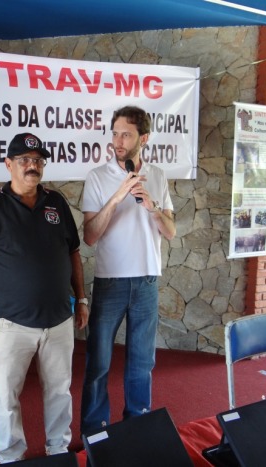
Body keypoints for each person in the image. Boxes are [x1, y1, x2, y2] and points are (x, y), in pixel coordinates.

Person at [0, 132, 89, 464]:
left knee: (59, 391)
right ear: (8, 164)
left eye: (38, 160)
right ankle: (9, 457)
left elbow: (73, 253)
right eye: (24, 160)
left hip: (59, 320)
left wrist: (81, 299)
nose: (33, 166)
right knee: (5, 398)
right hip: (10, 323)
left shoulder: (56, 202)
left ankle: (58, 451)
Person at [80, 105, 176, 434]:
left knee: (142, 363)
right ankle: (95, 432)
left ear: (143, 139)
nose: (118, 141)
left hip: (147, 281)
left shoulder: (158, 176)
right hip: (110, 282)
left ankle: (137, 429)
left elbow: (170, 231)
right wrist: (116, 198)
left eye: (126, 135)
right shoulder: (97, 176)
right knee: (98, 361)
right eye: (115, 134)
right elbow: (90, 236)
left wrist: (152, 207)